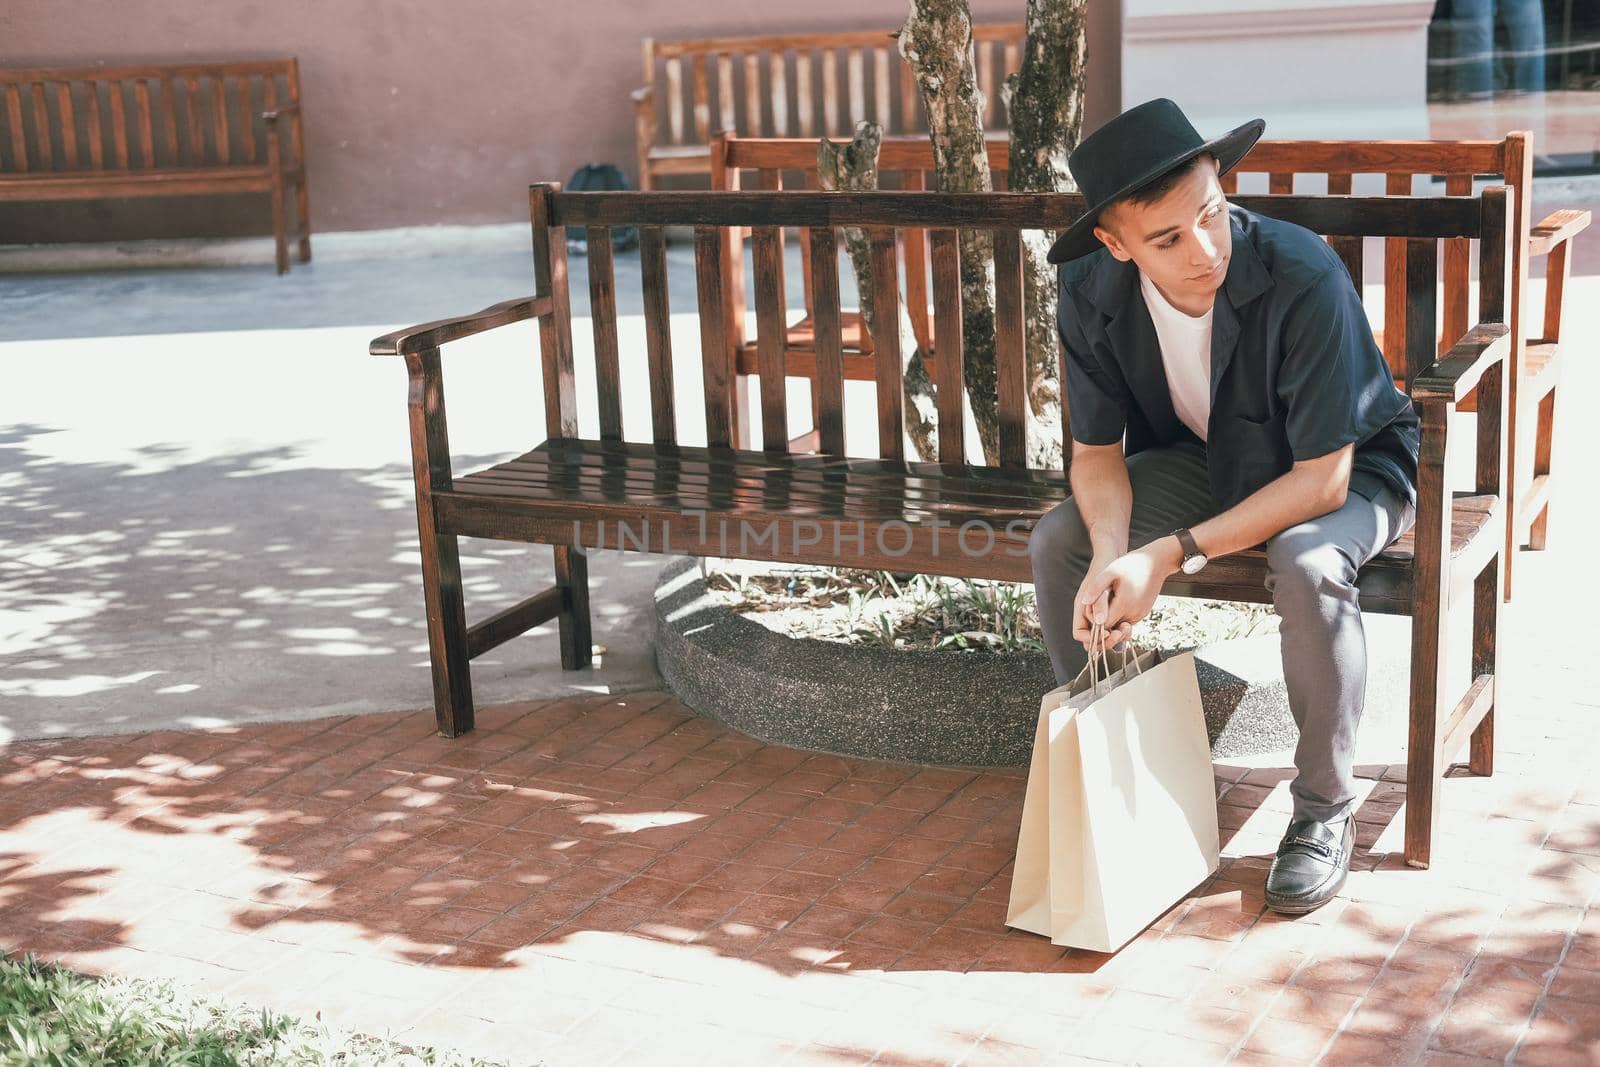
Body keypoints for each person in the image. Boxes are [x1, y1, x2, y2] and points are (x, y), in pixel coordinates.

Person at [1028, 98, 1421, 915]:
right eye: (1167, 239)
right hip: (1210, 463)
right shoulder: (1090, 289)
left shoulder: (1301, 269)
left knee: (1307, 561)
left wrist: (1165, 553)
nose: (1205, 248)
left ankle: (1322, 812)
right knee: (1061, 543)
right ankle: (1131, 770)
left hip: (1357, 466)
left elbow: (1322, 482)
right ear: (1115, 244)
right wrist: (1111, 551)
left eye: (1211, 213)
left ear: (1221, 184)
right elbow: (1097, 457)